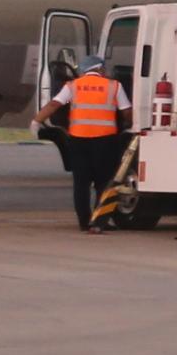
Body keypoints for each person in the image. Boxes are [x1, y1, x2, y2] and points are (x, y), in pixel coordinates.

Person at [46, 59, 130, 229]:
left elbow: (55, 103)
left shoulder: (72, 85)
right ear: (99, 68)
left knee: (81, 183)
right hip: (105, 140)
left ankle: (84, 222)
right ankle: (100, 221)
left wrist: (37, 120)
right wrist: (129, 126)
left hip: (78, 139)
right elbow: (126, 111)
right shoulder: (114, 86)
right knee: (104, 183)